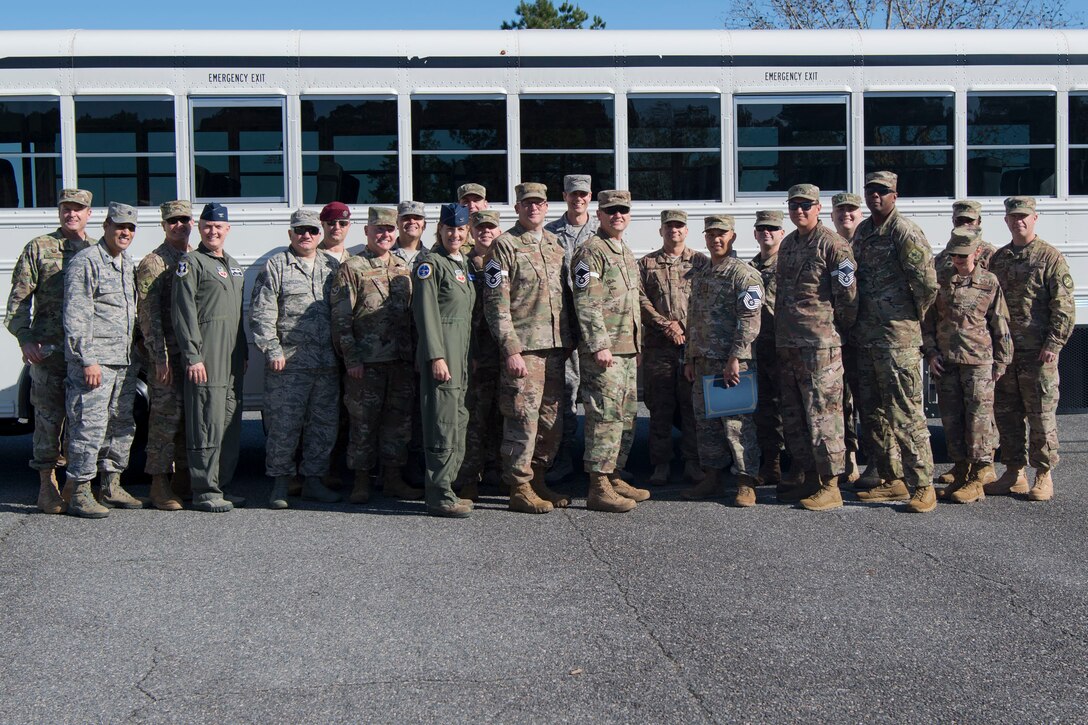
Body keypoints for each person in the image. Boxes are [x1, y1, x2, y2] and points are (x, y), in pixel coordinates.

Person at [482, 182, 574, 514]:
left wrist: (571, 341)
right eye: (526, 203)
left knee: (551, 421)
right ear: (517, 208)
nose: (533, 208)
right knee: (522, 418)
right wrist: (510, 349)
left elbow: (566, 298)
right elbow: (496, 304)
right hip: (525, 349)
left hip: (554, 348)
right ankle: (518, 486)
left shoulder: (554, 244)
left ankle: (538, 478)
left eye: (538, 203)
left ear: (547, 207)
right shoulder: (503, 246)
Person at [852, 171, 939, 513]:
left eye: (882, 192)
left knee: (904, 414)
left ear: (895, 195)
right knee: (873, 413)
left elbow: (927, 285)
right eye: (871, 191)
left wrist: (908, 318)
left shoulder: (904, 231)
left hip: (897, 339)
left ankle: (923, 485)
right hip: (867, 338)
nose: (876, 196)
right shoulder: (863, 231)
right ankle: (891, 479)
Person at [5, 188, 94, 514]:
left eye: (78, 209)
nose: (72, 214)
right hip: (48, 352)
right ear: (59, 212)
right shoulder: (40, 248)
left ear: (89, 213)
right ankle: (46, 484)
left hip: (83, 354)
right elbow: (17, 302)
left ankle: (73, 483)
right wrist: (25, 338)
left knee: (81, 420)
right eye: (66, 209)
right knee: (47, 418)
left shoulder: (96, 251)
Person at [774, 185, 859, 511]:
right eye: (794, 205)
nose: (799, 211)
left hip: (820, 346)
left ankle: (830, 484)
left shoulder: (833, 245)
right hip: (789, 344)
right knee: (795, 416)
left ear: (819, 207)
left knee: (824, 416)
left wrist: (835, 331)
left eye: (806, 206)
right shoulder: (789, 245)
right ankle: (809, 476)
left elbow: (848, 298)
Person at [250, 208, 341, 509]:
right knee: (284, 425)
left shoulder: (331, 266)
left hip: (326, 363)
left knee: (323, 425)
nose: (306, 235)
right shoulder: (276, 266)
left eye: (312, 231)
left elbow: (343, 312)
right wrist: (272, 350)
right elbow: (262, 313)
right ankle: (280, 483)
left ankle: (313, 481)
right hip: (288, 364)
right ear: (290, 234)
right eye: (300, 230)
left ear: (320, 235)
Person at [330, 207, 421, 504]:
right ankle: (360, 481)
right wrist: (351, 358)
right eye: (378, 230)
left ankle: (393, 479)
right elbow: (341, 318)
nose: (385, 235)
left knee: (398, 423)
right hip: (367, 362)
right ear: (367, 232)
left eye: (389, 230)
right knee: (363, 423)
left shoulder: (402, 268)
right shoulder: (352, 267)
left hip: (401, 361)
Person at [987, 196, 1076, 501]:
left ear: (1035, 218)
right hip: (1007, 353)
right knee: (1007, 414)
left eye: (1024, 216)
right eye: (1013, 217)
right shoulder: (999, 259)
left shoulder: (1049, 257)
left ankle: (1043, 475)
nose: (1019, 221)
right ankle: (1013, 474)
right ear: (1006, 221)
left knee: (1040, 415)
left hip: (1038, 354)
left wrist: (1054, 342)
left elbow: (1063, 305)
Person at [62, 202, 142, 518]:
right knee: (89, 425)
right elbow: (76, 314)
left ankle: (111, 484)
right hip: (96, 363)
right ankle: (79, 491)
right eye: (119, 226)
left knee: (121, 424)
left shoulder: (126, 263)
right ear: (106, 226)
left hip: (123, 362)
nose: (125, 232)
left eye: (130, 228)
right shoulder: (87, 262)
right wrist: (87, 359)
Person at [922, 228, 1013, 504]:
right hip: (948, 362)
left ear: (976, 253)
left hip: (978, 363)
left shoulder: (989, 282)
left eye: (963, 255)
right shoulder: (941, 282)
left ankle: (977, 478)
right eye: (954, 255)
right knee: (952, 420)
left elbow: (1000, 323)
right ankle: (960, 472)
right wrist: (931, 352)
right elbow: (927, 321)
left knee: (978, 422)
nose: (959, 260)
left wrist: (1002, 360)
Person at [573, 190, 649, 512]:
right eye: (611, 210)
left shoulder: (624, 251)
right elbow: (586, 302)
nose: (618, 215)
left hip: (627, 349)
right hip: (605, 352)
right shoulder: (591, 251)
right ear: (599, 214)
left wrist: (637, 345)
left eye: (623, 210)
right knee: (604, 415)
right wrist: (599, 345)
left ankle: (615, 474)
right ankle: (598, 486)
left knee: (626, 415)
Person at [172, 202, 248, 513]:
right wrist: (193, 356)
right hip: (207, 356)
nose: (213, 231)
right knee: (205, 419)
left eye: (218, 226)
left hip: (231, 359)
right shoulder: (191, 263)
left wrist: (243, 352)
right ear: (198, 228)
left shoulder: (233, 266)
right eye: (207, 226)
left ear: (227, 229)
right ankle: (203, 489)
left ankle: (221, 483)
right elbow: (183, 312)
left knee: (228, 421)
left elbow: (238, 314)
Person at [682, 215, 763, 506]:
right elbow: (692, 319)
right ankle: (713, 477)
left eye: (722, 234)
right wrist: (689, 358)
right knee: (706, 424)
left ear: (733, 237)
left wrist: (736, 358)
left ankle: (745, 481)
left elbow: (750, 320)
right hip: (702, 360)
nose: (716, 239)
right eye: (711, 234)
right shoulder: (702, 272)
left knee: (737, 423)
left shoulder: (744, 274)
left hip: (730, 362)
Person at [413, 203, 476, 517]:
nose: (455, 234)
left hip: (460, 354)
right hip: (443, 355)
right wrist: (436, 356)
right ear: (439, 229)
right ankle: (439, 495)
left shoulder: (460, 262)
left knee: (457, 420)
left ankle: (447, 486)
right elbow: (426, 315)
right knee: (441, 423)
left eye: (461, 229)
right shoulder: (430, 263)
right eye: (450, 228)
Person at [931, 199, 1000, 489]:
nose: (965, 225)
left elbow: (999, 312)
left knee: (982, 413)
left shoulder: (994, 258)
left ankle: (984, 466)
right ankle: (963, 466)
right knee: (955, 413)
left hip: (980, 348)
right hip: (950, 350)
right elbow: (931, 308)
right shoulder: (943, 261)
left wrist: (1003, 354)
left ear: (979, 223)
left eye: (969, 221)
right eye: (960, 221)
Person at [638, 208, 707, 486]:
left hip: (691, 348)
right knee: (660, 408)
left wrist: (685, 329)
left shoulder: (701, 263)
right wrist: (666, 325)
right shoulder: (646, 264)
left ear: (686, 231)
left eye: (679, 226)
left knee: (692, 407)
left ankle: (693, 462)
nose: (674, 231)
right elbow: (639, 300)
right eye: (669, 227)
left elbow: (707, 301)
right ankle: (661, 464)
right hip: (659, 348)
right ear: (661, 231)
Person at [135, 200, 193, 511]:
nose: (179, 225)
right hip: (168, 356)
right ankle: (159, 484)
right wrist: (160, 358)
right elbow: (148, 314)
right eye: (173, 221)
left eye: (184, 220)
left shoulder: (194, 257)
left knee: (187, 419)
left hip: (191, 355)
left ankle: (183, 479)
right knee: (164, 421)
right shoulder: (154, 263)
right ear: (163, 225)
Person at [543, 174, 599, 483]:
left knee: (597, 395)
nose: (578, 199)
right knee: (563, 395)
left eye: (584, 194)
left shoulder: (602, 231)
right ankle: (561, 459)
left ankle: (601, 463)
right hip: (561, 326)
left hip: (594, 327)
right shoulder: (550, 234)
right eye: (573, 194)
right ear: (564, 196)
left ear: (590, 197)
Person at [454, 209, 504, 500]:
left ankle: (498, 470)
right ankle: (469, 476)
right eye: (480, 227)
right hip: (476, 352)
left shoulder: (505, 260)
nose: (485, 232)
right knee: (475, 416)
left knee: (502, 415)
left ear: (499, 231)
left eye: (491, 228)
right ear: (471, 232)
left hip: (504, 351)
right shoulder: (463, 263)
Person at [830, 192, 867, 487]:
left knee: (869, 401)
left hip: (869, 336)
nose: (846, 215)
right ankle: (849, 457)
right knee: (841, 401)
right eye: (840, 210)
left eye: (852, 210)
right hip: (837, 337)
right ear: (831, 215)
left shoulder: (872, 244)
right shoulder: (829, 246)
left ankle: (881, 464)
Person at [749, 210, 786, 488]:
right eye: (762, 229)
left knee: (792, 407)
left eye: (772, 229)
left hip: (785, 347)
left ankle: (799, 467)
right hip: (760, 348)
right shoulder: (750, 268)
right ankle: (771, 463)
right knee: (765, 408)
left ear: (781, 233)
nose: (767, 233)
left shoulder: (789, 264)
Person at [393, 200, 427, 266]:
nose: (412, 221)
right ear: (397, 223)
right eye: (406, 218)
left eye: (417, 218)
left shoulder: (431, 257)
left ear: (424, 225)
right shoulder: (385, 254)